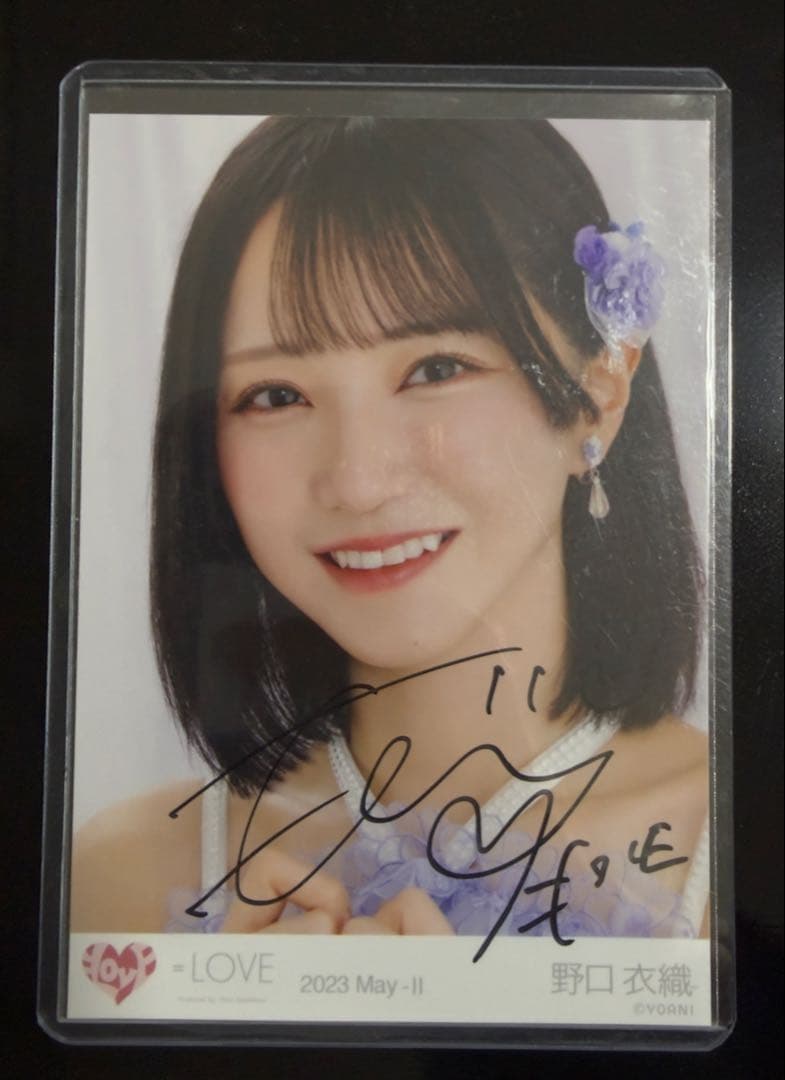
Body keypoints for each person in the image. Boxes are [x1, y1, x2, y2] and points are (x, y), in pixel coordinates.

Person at [72, 117, 708, 941]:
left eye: (435, 369)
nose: (357, 482)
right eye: (275, 396)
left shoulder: (731, 842)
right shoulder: (118, 881)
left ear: (597, 394)